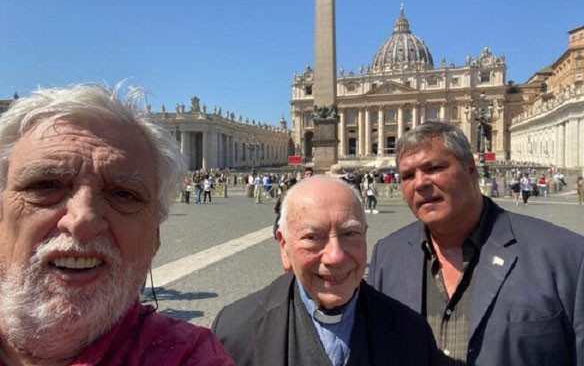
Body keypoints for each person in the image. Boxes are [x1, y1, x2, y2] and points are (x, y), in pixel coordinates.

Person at [0, 84, 233, 365]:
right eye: (45, 186)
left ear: (155, 235)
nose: (82, 219)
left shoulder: (190, 357)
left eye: (123, 194)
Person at [367, 120, 584, 365]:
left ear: (471, 168)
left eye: (434, 168)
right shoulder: (387, 255)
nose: (420, 183)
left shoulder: (569, 257)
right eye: (407, 175)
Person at [212, 176, 439, 366]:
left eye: (350, 234)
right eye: (312, 238)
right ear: (284, 247)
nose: (335, 256)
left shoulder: (412, 333)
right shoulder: (234, 331)